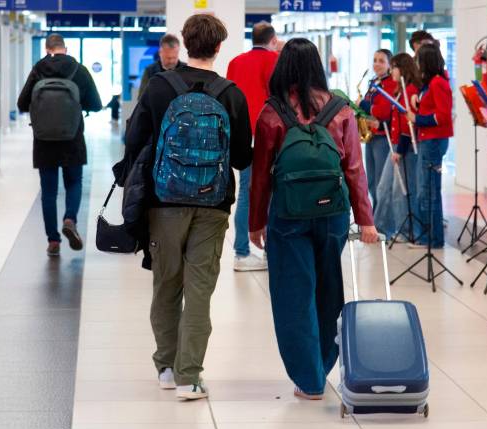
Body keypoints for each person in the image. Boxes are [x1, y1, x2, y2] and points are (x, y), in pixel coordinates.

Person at [124, 14, 253, 400]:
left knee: (166, 283)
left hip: (163, 201)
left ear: (184, 43)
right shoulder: (231, 94)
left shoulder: (160, 86)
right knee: (199, 290)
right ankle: (189, 377)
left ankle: (166, 367)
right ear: (219, 47)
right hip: (213, 204)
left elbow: (134, 139)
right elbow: (242, 157)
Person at [249, 38, 378, 400]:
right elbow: (354, 169)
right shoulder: (341, 110)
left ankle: (309, 380)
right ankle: (323, 363)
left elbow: (261, 176)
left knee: (294, 293)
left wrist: (255, 222)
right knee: (328, 288)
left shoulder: (272, 113)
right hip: (332, 214)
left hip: (288, 216)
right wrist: (365, 219)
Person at [17, 33, 102, 257]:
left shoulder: (38, 69)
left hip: (43, 140)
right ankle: (70, 219)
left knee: (48, 191)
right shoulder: (78, 70)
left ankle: (53, 241)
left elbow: (22, 103)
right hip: (72, 138)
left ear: (47, 49)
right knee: (74, 182)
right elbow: (96, 104)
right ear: (66, 48)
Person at [226, 21, 279, 272]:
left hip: (242, 136)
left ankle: (241, 253)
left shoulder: (235, 62)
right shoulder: (276, 60)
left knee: (245, 194)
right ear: (273, 40)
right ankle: (271, 252)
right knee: (273, 193)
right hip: (269, 135)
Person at [406, 44, 453, 249]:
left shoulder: (438, 83)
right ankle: (430, 237)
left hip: (433, 141)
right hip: (428, 140)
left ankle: (432, 239)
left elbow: (442, 116)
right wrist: (418, 101)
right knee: (426, 191)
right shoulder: (429, 84)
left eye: (418, 60)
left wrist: (417, 118)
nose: (416, 65)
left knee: (429, 192)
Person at [374, 53, 422, 238]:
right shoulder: (400, 90)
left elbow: (407, 125)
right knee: (383, 188)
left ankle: (406, 231)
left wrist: (400, 150)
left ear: (402, 69)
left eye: (394, 67)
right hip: (395, 144)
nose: (392, 71)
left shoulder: (410, 90)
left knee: (400, 191)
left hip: (404, 147)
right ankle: (381, 228)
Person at [359, 49, 397, 206]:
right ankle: (375, 213)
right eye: (375, 60)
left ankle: (382, 217)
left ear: (389, 65)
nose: (377, 64)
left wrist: (364, 105)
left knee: (381, 181)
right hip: (371, 135)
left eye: (381, 61)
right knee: (371, 181)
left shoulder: (391, 83)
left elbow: (383, 111)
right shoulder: (374, 82)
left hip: (382, 136)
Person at [138, 34, 185, 99]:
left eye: (174, 57)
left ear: (178, 52)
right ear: (160, 53)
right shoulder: (150, 71)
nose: (171, 61)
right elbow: (142, 99)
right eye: (168, 58)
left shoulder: (186, 70)